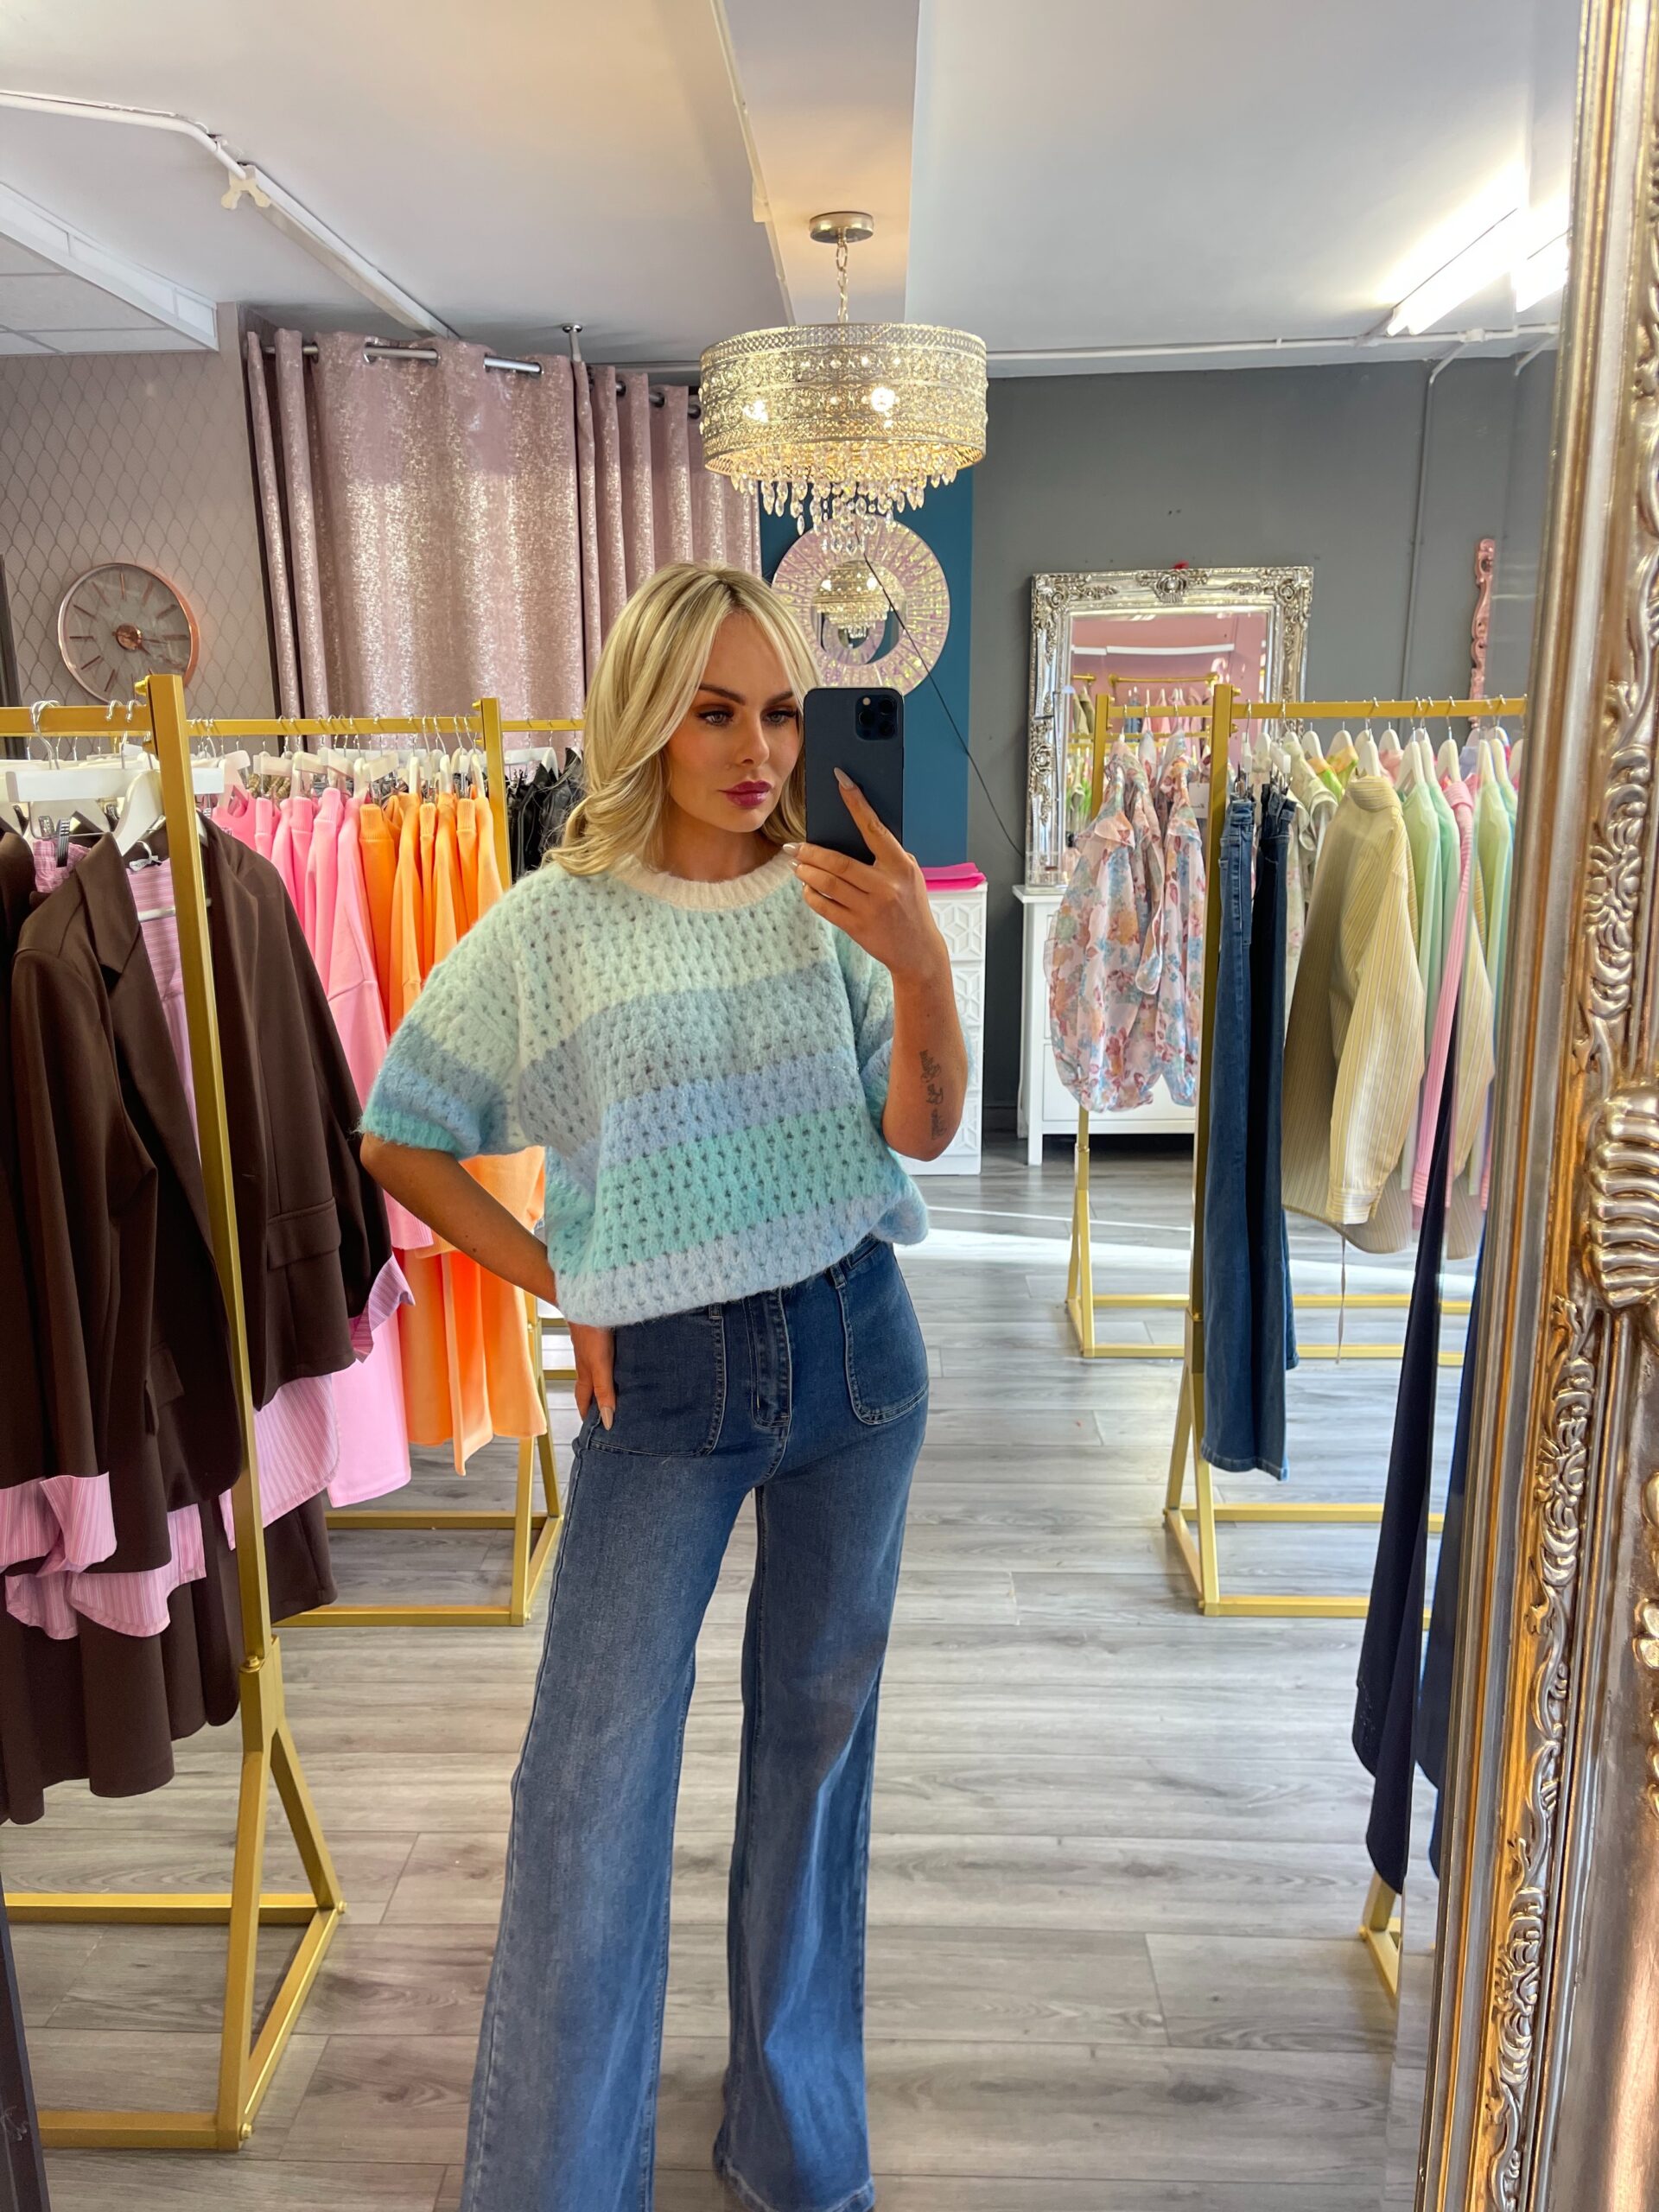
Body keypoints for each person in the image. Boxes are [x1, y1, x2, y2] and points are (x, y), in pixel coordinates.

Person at [359, 560, 967, 2212]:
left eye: (778, 712)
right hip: (669, 1396)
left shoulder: (834, 900)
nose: (756, 750)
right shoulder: (555, 922)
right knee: (589, 1787)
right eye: (712, 712)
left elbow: (920, 1134)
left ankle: (797, 2149)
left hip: (858, 1356)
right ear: (645, 716)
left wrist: (921, 960)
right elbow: (402, 1133)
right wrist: (570, 1277)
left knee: (817, 1759)